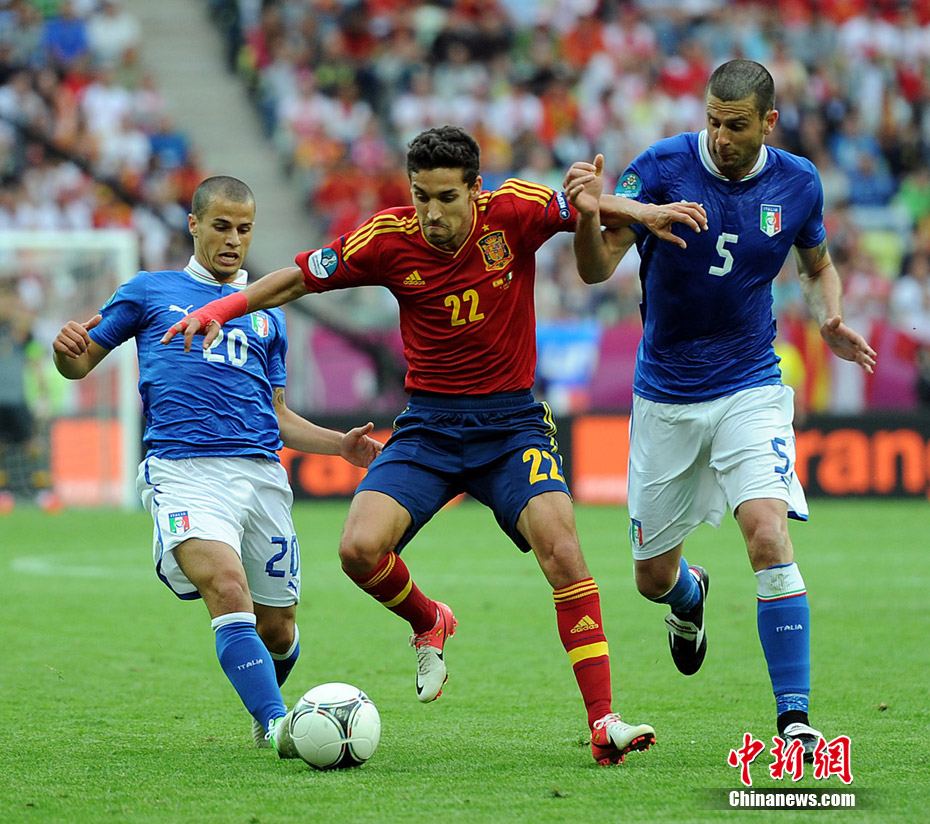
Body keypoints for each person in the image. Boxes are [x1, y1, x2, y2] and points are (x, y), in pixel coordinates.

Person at [161, 125, 705, 765]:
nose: (432, 213)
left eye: (446, 198)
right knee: (358, 550)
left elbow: (583, 205)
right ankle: (428, 620)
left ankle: (603, 720)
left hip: (511, 426)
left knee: (563, 551)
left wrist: (640, 211)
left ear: (475, 190)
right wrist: (220, 310)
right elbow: (296, 280)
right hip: (429, 427)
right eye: (421, 196)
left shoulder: (514, 210)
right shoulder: (387, 239)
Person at [563, 59, 877, 759]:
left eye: (735, 126)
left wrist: (829, 316)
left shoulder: (798, 182)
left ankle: (794, 720)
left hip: (750, 385)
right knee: (651, 578)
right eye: (712, 121)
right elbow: (594, 267)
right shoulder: (663, 166)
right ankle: (688, 596)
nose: (720, 136)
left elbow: (818, 264)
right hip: (666, 396)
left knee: (767, 534)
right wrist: (588, 215)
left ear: (769, 122)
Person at [52, 175, 382, 757]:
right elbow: (79, 365)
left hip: (261, 477)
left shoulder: (267, 313)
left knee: (278, 628)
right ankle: (279, 726)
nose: (233, 240)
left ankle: (266, 703)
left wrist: (339, 445)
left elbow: (277, 414)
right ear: (194, 225)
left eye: (244, 229)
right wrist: (67, 353)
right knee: (228, 589)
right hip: (182, 471)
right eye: (222, 226)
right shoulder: (149, 291)